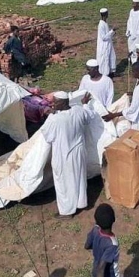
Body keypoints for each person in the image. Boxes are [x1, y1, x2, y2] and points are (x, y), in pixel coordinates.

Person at [40, 91, 96, 219]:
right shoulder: (78, 111)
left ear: (62, 102)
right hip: (78, 153)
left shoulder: (55, 119)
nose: (53, 104)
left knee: (64, 183)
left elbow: (47, 136)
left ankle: (66, 211)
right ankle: (80, 202)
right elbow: (89, 116)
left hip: (63, 156)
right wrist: (85, 104)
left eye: (55, 102)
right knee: (78, 178)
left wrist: (50, 115)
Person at [85, 203, 136, 277]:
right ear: (114, 219)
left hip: (96, 268)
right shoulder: (112, 243)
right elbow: (102, 269)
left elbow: (87, 245)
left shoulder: (95, 230)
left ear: (96, 220)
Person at [102, 61, 139, 131]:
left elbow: (133, 109)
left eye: (133, 71)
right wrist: (134, 94)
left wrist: (114, 115)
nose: (132, 73)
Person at [96, 8, 116, 77]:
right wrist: (112, 31)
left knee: (111, 57)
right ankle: (104, 74)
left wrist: (112, 33)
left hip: (108, 44)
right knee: (104, 59)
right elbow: (103, 37)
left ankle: (110, 72)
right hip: (104, 45)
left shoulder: (105, 23)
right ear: (105, 14)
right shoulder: (101, 24)